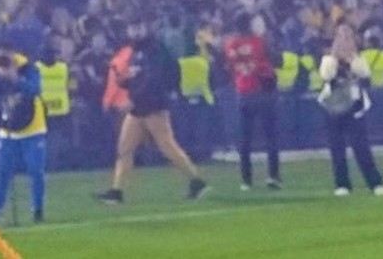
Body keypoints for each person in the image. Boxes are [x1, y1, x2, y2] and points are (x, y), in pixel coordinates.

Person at [96, 20, 208, 205]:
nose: (134, 31)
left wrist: (133, 98)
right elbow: (139, 78)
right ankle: (117, 191)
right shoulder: (136, 51)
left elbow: (153, 80)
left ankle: (196, 180)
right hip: (139, 108)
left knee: (167, 147)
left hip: (153, 106)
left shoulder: (154, 50)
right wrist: (125, 82)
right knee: (125, 148)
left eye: (138, 27)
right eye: (132, 27)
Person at [0, 47, 48, 225]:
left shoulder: (29, 69)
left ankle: (37, 208)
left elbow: (35, 89)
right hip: (7, 129)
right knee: (3, 171)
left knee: (35, 170)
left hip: (32, 127)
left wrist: (16, 79)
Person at [317, 23, 383, 197]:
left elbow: (365, 75)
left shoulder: (359, 59)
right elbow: (326, 75)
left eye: (348, 37)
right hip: (333, 106)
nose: (345, 41)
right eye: (341, 37)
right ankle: (342, 184)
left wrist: (352, 59)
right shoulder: (327, 60)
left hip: (354, 106)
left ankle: (375, 182)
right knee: (337, 147)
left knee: (361, 146)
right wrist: (335, 57)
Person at [223, 14, 281, 191]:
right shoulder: (259, 41)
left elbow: (228, 67)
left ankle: (246, 180)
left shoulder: (230, 44)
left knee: (245, 139)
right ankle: (273, 176)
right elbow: (277, 60)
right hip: (262, 90)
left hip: (243, 91)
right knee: (270, 137)